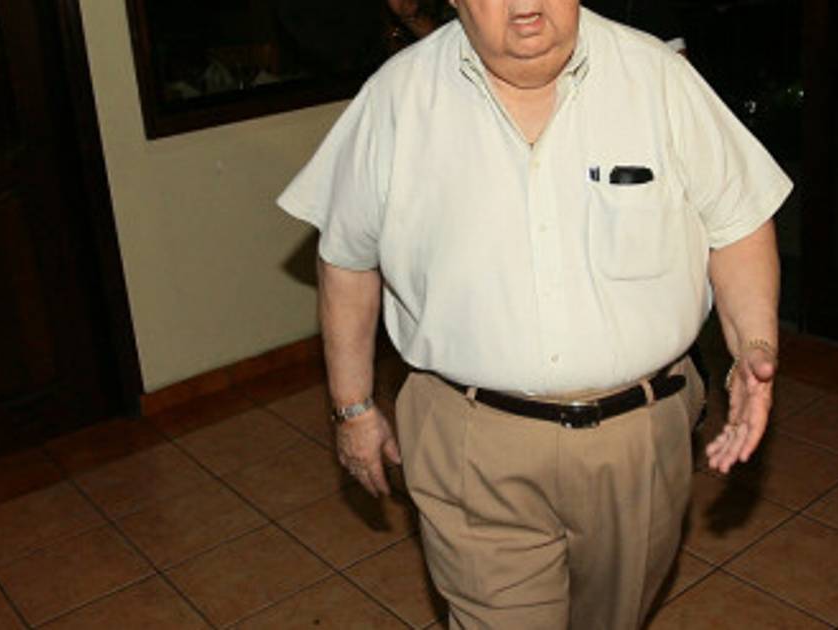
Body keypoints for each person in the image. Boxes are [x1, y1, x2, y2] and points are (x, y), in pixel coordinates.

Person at [278, 1, 790, 627]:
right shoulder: (397, 99)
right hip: (471, 441)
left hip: (641, 439)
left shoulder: (659, 78)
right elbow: (347, 261)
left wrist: (753, 346)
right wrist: (352, 407)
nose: (526, 4)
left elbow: (738, 222)